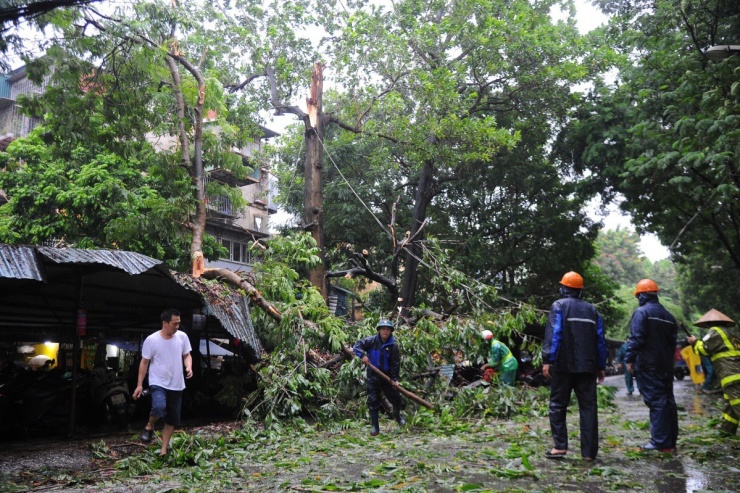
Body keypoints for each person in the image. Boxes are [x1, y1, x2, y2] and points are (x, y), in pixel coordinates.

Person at [542, 271, 607, 462]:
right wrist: (601, 365)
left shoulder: (559, 306)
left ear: (563, 288)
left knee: (557, 405)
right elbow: (600, 340)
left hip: (563, 366)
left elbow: (555, 334)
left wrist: (548, 360)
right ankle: (588, 453)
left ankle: (560, 447)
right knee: (588, 408)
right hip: (587, 368)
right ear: (580, 291)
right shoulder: (593, 310)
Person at [624, 279, 678, 453]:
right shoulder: (669, 316)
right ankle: (670, 441)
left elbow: (637, 338)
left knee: (657, 403)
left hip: (648, 365)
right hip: (666, 366)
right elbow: (672, 344)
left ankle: (660, 442)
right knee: (668, 402)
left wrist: (629, 359)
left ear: (641, 295)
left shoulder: (642, 313)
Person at [132, 309, 193, 456]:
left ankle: (163, 450)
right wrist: (139, 385)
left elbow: (187, 355)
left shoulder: (182, 337)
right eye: (174, 324)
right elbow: (144, 362)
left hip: (177, 383)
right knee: (159, 407)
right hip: (158, 381)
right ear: (165, 323)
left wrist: (188, 366)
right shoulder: (152, 340)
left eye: (179, 323)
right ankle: (150, 425)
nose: (177, 327)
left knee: (172, 419)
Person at [687, 309, 740, 435]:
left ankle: (726, 431)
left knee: (737, 403)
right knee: (730, 405)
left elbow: (704, 349)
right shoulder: (731, 334)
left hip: (731, 375)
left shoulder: (715, 331)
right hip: (735, 374)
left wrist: (694, 342)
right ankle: (726, 431)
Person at [353, 319, 405, 436]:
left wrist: (394, 379)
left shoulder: (393, 346)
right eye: (383, 329)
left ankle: (398, 417)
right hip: (373, 376)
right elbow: (356, 346)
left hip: (386, 377)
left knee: (396, 398)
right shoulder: (371, 341)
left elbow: (395, 364)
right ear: (379, 330)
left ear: (390, 331)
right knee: (373, 400)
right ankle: (375, 427)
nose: (385, 331)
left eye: (387, 329)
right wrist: (362, 355)